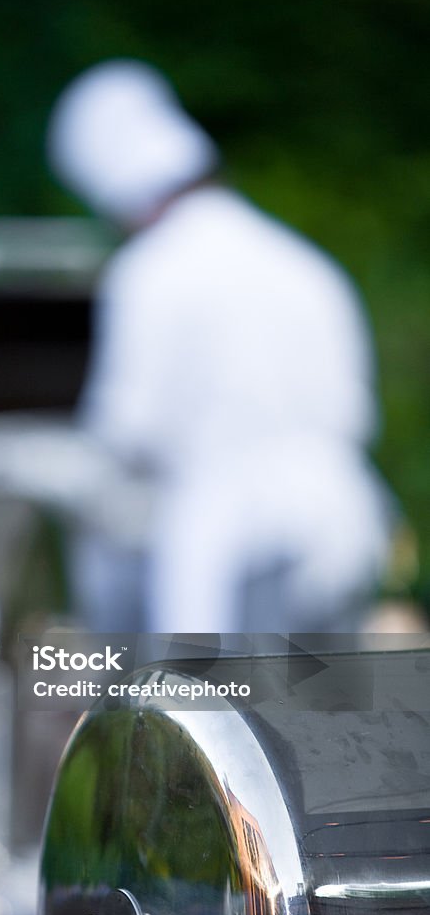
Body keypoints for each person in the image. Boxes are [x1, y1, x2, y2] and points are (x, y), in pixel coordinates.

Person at [47, 59, 391, 633]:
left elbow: (130, 427)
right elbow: (353, 413)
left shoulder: (149, 273)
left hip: (227, 553)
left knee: (224, 712)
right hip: (339, 533)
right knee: (328, 714)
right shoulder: (304, 264)